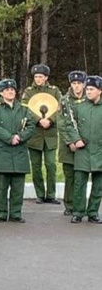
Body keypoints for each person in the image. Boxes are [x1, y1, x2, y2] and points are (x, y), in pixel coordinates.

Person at [0, 79, 39, 223]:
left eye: (12, 90)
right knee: (2, 186)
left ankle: (16, 213)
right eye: (7, 90)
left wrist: (20, 137)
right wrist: (9, 138)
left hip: (19, 151)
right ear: (1, 93)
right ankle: (1, 213)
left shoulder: (23, 108)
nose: (10, 92)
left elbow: (31, 126)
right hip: (3, 151)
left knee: (18, 186)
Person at [61, 75, 102, 224]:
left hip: (99, 150)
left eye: (92, 89)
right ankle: (78, 212)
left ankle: (93, 212)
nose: (88, 92)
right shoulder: (79, 106)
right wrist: (76, 139)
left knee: (98, 185)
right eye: (88, 89)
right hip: (83, 150)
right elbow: (70, 125)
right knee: (79, 183)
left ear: (100, 91)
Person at [20, 64, 61, 204]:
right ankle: (40, 194)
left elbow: (59, 109)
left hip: (50, 134)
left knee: (51, 165)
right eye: (36, 76)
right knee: (36, 166)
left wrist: (50, 120)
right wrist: (38, 120)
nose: (38, 79)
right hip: (35, 135)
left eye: (40, 77)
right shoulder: (29, 91)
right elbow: (25, 108)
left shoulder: (54, 91)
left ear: (46, 77)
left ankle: (51, 194)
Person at [57, 71, 87, 217]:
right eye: (74, 83)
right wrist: (70, 142)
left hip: (85, 144)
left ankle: (80, 205)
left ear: (84, 84)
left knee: (81, 176)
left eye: (79, 83)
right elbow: (61, 124)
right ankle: (69, 204)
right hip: (68, 146)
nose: (77, 86)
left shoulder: (89, 99)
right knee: (70, 177)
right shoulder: (64, 100)